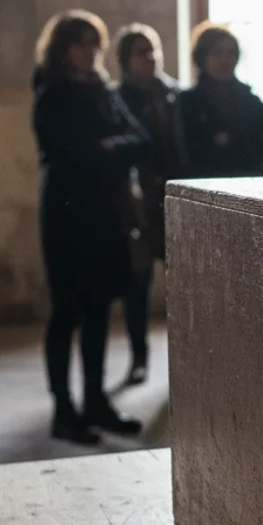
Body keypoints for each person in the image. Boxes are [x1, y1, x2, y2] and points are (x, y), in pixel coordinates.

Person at [33, 10, 149, 444]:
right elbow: (68, 153)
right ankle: (64, 410)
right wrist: (105, 147)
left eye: (94, 43)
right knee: (68, 311)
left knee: (100, 309)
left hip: (104, 212)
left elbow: (139, 140)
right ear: (63, 49)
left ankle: (96, 401)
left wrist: (107, 145)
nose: (89, 52)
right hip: (67, 215)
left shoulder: (102, 90)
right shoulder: (53, 93)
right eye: (80, 43)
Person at [114, 24, 187, 386]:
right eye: (142, 52)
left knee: (185, 280)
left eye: (154, 50)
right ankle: (139, 357)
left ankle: (188, 354)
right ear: (126, 60)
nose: (151, 58)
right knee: (138, 282)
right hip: (139, 198)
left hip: (175, 196)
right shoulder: (118, 99)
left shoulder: (176, 94)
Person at [179, 23, 263, 179]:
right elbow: (190, 154)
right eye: (217, 53)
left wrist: (229, 141)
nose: (225, 60)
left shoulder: (250, 100)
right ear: (202, 57)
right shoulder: (188, 102)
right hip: (206, 188)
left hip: (249, 185)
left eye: (231, 53)